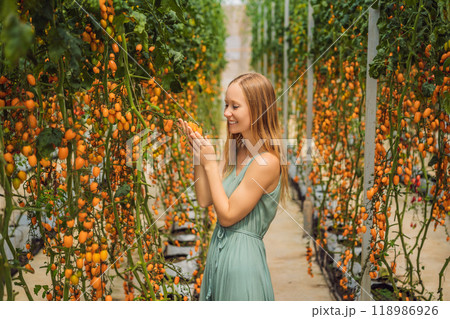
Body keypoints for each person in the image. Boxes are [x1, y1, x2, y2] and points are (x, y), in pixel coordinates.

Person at [177, 72, 288, 301]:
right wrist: (199, 156)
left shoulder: (266, 162)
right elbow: (205, 198)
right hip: (219, 256)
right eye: (226, 104)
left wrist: (210, 165)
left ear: (258, 110)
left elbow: (226, 215)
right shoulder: (237, 149)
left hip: (242, 265)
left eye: (235, 106)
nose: (227, 112)